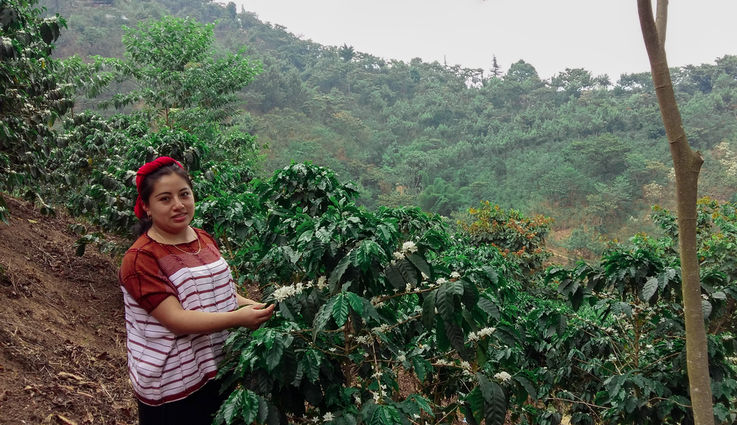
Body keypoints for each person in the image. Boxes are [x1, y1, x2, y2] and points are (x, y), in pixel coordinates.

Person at [118, 156, 274, 424]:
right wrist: (239, 319)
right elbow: (176, 320)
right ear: (146, 206)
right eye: (165, 199)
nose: (178, 205)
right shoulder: (141, 258)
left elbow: (220, 291)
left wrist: (250, 305)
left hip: (215, 369)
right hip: (172, 385)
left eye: (184, 194)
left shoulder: (202, 238)